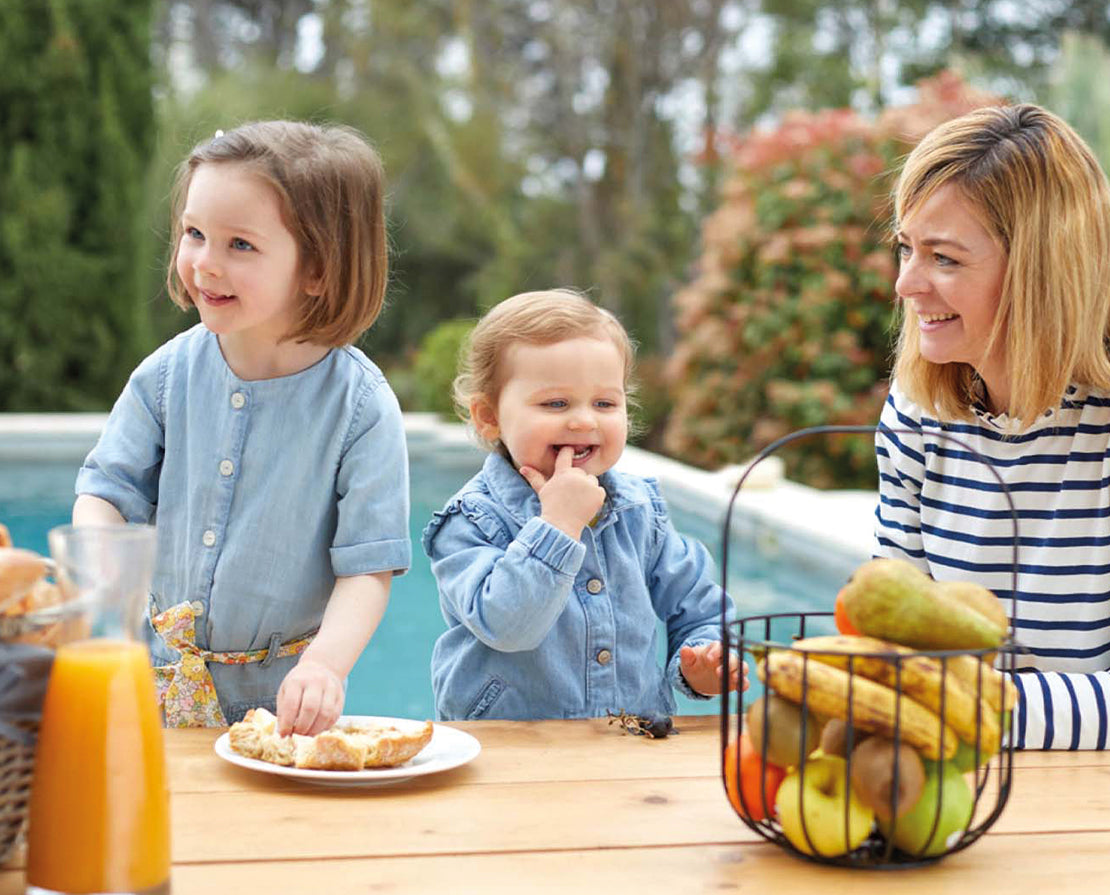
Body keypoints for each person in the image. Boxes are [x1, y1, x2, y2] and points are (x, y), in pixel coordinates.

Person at [873, 103, 1110, 776]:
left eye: (944, 257)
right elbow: (896, 631)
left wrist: (954, 702)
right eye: (907, 247)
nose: (906, 283)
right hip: (971, 772)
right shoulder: (917, 411)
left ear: (1040, 273)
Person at [73, 121, 411, 736]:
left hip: (283, 711)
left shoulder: (361, 408)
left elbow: (368, 566)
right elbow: (105, 492)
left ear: (317, 268)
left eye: (240, 246)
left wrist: (327, 667)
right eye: (195, 233)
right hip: (151, 689)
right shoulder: (167, 375)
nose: (204, 262)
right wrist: (102, 577)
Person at [423, 289, 748, 720]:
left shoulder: (640, 510)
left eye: (605, 403)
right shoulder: (470, 521)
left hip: (630, 740)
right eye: (556, 403)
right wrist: (557, 525)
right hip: (509, 748)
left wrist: (704, 663)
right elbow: (508, 626)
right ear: (489, 417)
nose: (584, 420)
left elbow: (698, 604)